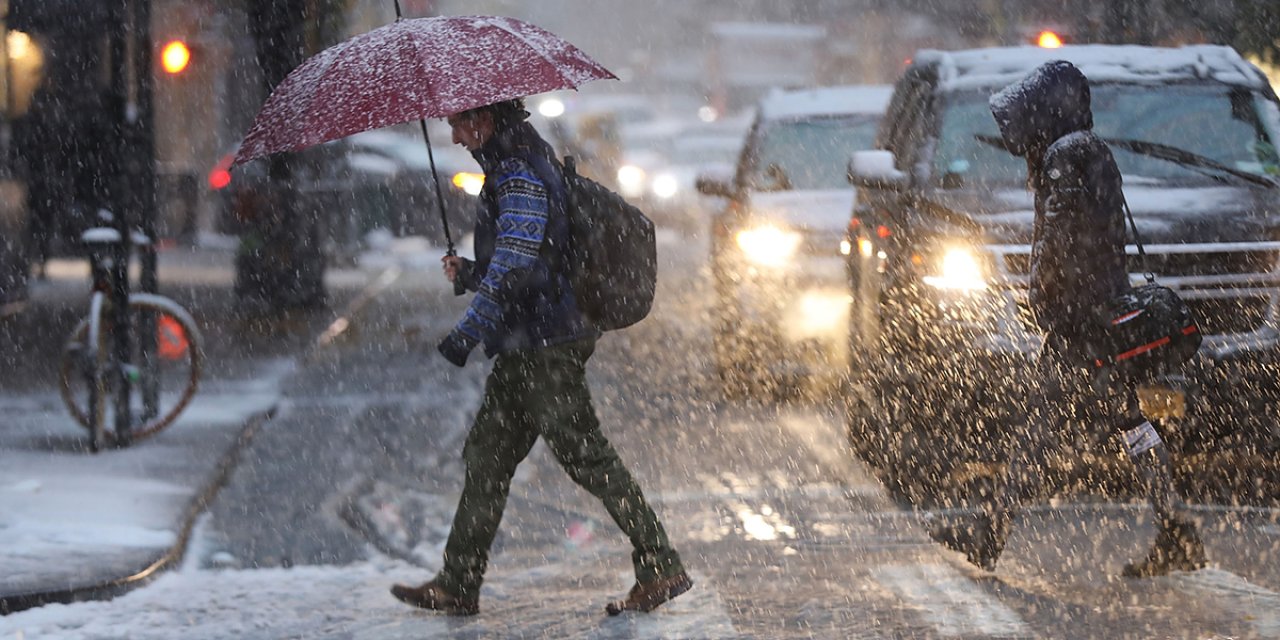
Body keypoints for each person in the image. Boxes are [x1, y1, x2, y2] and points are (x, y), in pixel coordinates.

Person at [390, 99, 691, 616]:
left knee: (587, 456)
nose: (457, 137)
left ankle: (660, 564)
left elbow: (516, 267)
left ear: (484, 119)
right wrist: (468, 273)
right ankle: (458, 581)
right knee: (487, 456)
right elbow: (523, 262)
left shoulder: (519, 174)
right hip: (525, 344)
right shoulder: (515, 166)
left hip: (546, 344)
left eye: (459, 124)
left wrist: (466, 332)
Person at [927, 60, 1207, 578]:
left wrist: (1046, 302)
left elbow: (1057, 244)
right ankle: (1176, 529)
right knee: (1131, 423)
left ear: (1045, 110)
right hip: (1103, 311)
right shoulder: (1088, 149)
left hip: (1081, 322)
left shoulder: (1064, 156)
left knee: (1037, 430)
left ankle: (994, 532)